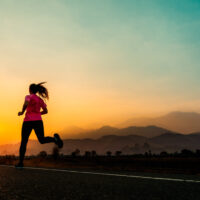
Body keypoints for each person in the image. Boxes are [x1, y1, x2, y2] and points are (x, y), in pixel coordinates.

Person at [15, 82, 63, 168]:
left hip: (28, 121)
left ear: (30, 90)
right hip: (38, 121)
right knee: (42, 139)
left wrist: (22, 112)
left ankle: (20, 163)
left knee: (24, 141)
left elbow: (26, 104)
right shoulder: (40, 100)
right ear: (36, 91)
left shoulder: (28, 96)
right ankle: (55, 139)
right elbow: (46, 111)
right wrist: (37, 114)